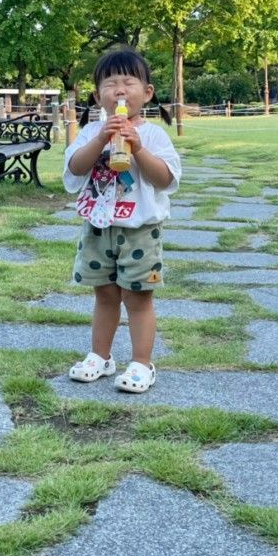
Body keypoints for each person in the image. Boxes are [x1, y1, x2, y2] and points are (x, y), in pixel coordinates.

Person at [63, 47, 181, 393]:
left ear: (146, 93)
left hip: (140, 231)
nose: (119, 90)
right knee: (104, 294)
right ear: (97, 94)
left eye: (128, 82)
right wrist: (101, 137)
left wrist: (139, 148)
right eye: (110, 83)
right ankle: (101, 356)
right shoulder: (90, 133)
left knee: (139, 297)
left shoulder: (155, 134)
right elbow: (75, 169)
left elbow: (166, 180)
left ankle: (143, 363)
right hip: (99, 227)